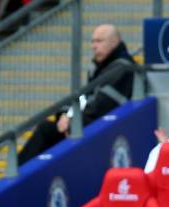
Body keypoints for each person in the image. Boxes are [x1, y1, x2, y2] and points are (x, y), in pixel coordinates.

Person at [18, 24, 134, 165]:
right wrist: (64, 115)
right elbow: (83, 97)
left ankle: (17, 175)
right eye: (92, 41)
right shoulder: (99, 67)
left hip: (107, 128)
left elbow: (103, 106)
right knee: (46, 128)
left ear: (114, 42)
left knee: (46, 131)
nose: (94, 46)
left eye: (99, 41)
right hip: (86, 123)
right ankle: (19, 174)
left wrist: (72, 120)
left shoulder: (123, 68)